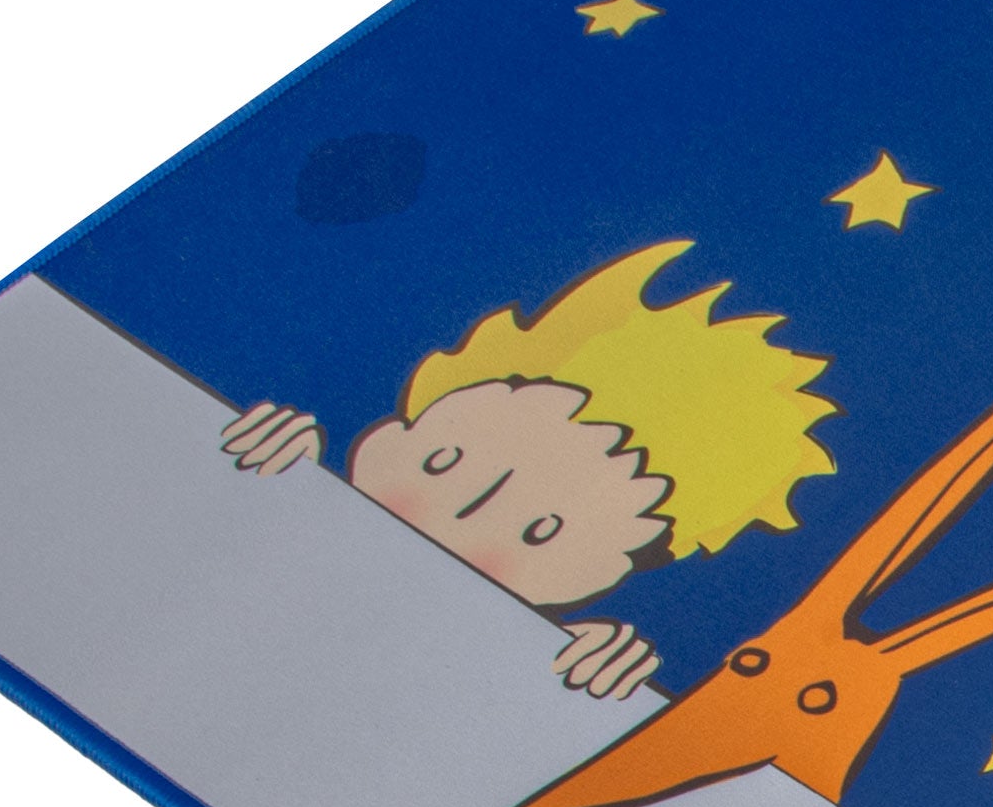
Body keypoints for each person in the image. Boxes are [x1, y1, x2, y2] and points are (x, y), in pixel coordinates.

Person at [221, 240, 839, 696]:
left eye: (541, 531)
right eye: (441, 460)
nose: (456, 512)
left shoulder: (528, 639)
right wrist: (263, 474)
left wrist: (588, 670)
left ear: (607, 570)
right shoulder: (295, 488)